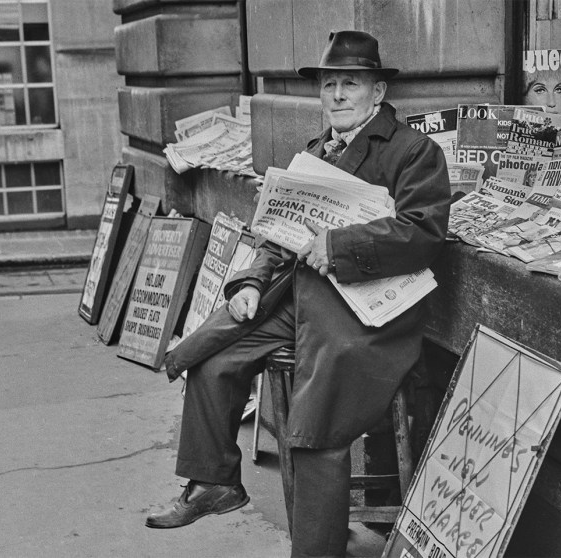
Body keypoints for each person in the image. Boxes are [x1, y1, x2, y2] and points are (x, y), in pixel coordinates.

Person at [145, 30, 451, 557]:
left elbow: (424, 234)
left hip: (363, 317)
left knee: (314, 430)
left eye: (349, 84)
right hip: (297, 301)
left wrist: (341, 244)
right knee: (211, 355)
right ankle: (215, 481)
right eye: (328, 84)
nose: (335, 95)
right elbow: (276, 236)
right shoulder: (312, 153)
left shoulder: (412, 151)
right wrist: (249, 283)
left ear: (377, 93)